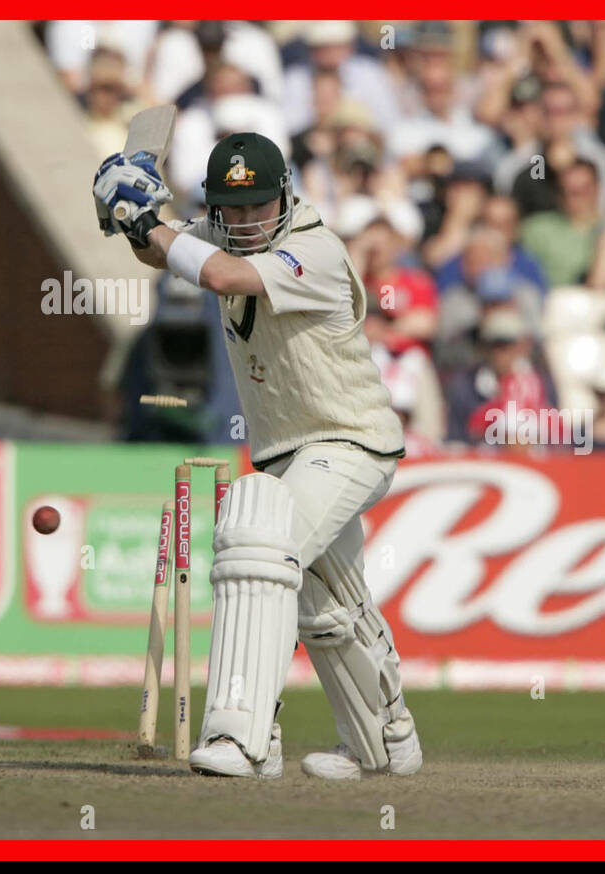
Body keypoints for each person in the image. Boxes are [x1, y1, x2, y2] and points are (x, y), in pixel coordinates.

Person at [92, 132, 423, 779]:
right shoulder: (219, 236)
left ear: (285, 197)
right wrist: (128, 213)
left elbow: (220, 274)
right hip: (286, 452)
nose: (244, 222)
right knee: (326, 601)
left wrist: (146, 218)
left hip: (349, 439)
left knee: (258, 540)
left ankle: (243, 736)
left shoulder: (314, 249)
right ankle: (386, 741)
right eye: (231, 209)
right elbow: (159, 253)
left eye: (257, 206)